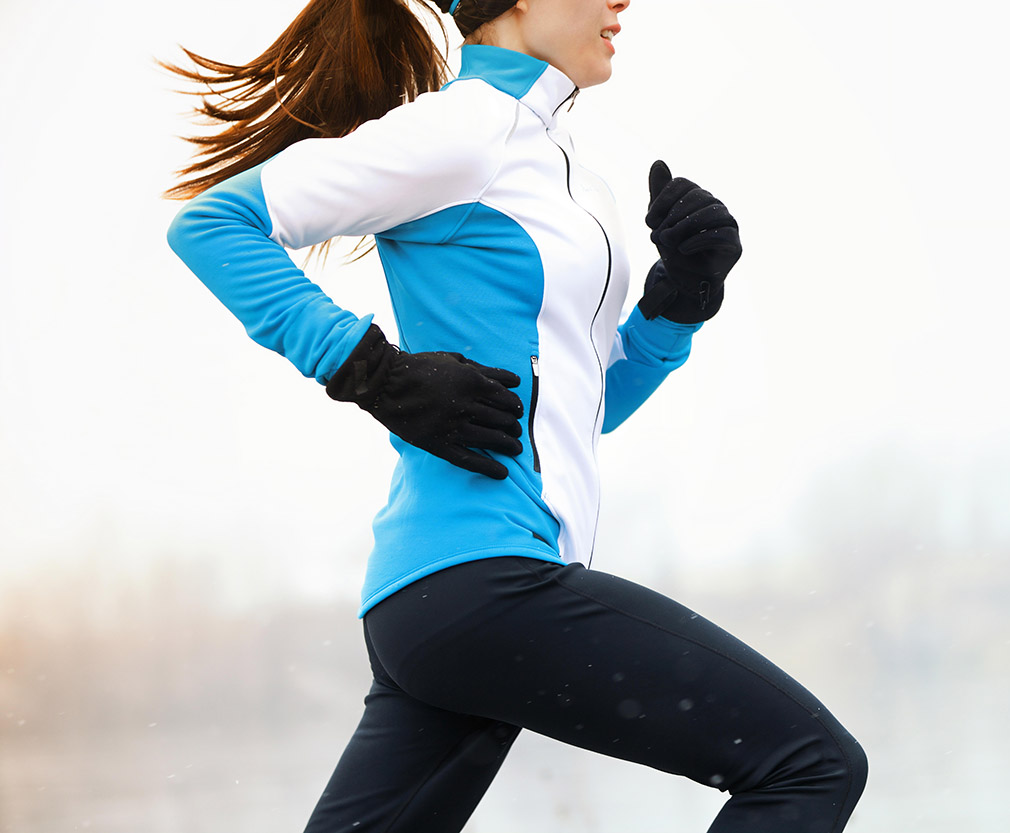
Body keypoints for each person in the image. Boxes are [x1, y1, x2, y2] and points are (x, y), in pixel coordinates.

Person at [164, 0, 868, 830]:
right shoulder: (464, 132)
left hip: (439, 605)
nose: (622, 3)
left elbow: (579, 410)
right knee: (808, 764)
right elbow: (213, 224)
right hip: (482, 581)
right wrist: (369, 369)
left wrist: (678, 302)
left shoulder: (563, 169)